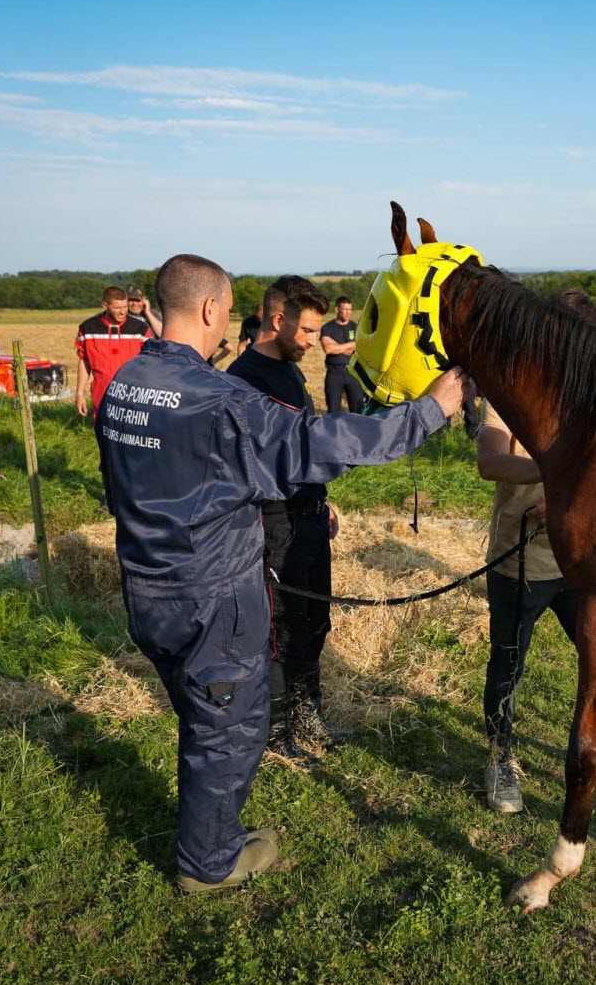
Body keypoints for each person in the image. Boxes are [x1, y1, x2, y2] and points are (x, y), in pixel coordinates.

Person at [99, 252, 466, 893]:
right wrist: (429, 411)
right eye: (223, 312)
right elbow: (326, 443)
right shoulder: (222, 402)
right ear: (212, 309)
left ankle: (208, 833)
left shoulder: (125, 386)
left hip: (145, 588)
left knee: (200, 714)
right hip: (210, 597)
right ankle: (208, 864)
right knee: (231, 729)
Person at [478, 289, 596, 814]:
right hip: (521, 561)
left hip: (584, 562)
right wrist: (555, 478)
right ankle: (500, 757)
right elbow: (490, 462)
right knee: (508, 663)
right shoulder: (508, 391)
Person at [226, 276, 349, 761]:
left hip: (308, 516)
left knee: (315, 620)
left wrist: (321, 501)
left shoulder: (290, 367)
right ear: (278, 320)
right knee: (280, 628)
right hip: (273, 523)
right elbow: (277, 457)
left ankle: (308, 712)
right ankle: (276, 733)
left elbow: (300, 446)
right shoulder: (246, 378)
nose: (314, 342)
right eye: (309, 332)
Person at [74, 285, 152, 421]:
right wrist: (80, 393)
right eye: (117, 308)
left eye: (125, 307)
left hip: (134, 401)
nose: (122, 312)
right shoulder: (87, 328)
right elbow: (84, 360)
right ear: (105, 305)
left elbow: (151, 364)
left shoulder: (140, 329)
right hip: (102, 399)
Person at [320, 295, 366, 412]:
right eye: (345, 309)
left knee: (357, 410)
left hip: (353, 374)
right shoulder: (327, 327)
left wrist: (337, 346)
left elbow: (359, 350)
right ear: (337, 309)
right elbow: (328, 349)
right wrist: (351, 345)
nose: (348, 313)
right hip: (334, 373)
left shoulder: (356, 327)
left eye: (350, 309)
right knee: (333, 410)